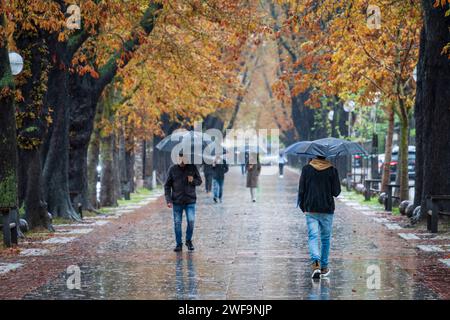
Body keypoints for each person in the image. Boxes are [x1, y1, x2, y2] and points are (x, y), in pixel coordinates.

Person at [298, 155, 341, 279]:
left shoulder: (306, 169)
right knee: (325, 239)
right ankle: (324, 267)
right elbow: (336, 192)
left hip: (311, 208)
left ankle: (315, 263)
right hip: (327, 209)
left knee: (313, 236)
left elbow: (301, 190)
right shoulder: (332, 170)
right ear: (326, 156)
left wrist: (303, 207)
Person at [164, 152, 202, 252]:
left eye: (183, 159)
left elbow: (199, 181)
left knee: (191, 221)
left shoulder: (192, 168)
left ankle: (188, 241)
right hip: (177, 201)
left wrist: (193, 180)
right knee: (177, 223)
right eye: (179, 158)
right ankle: (179, 244)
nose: (181, 161)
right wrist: (168, 200)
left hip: (190, 200)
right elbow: (167, 186)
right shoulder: (172, 169)